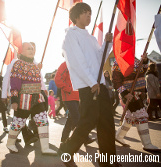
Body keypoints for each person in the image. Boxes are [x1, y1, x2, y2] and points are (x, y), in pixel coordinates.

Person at [58, 3, 117, 167]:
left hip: (100, 85)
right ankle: (67, 150)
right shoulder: (71, 35)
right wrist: (92, 82)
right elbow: (77, 61)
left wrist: (107, 44)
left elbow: (99, 59)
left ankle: (108, 160)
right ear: (76, 16)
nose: (89, 16)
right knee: (88, 122)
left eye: (90, 13)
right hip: (88, 86)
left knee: (107, 122)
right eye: (85, 13)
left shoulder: (90, 37)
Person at [6, 42, 56, 155]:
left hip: (37, 97)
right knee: (18, 122)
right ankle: (10, 143)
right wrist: (14, 100)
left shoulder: (35, 65)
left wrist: (43, 93)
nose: (31, 50)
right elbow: (14, 83)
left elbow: (40, 82)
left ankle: (45, 148)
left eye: (32, 48)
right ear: (21, 51)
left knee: (43, 121)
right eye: (28, 48)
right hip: (24, 98)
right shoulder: (18, 64)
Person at [112, 55, 160, 151]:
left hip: (139, 93)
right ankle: (147, 143)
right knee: (141, 115)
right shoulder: (118, 62)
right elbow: (116, 81)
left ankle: (118, 136)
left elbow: (143, 71)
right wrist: (125, 93)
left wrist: (145, 61)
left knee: (130, 117)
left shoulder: (136, 60)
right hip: (130, 94)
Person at [55, 61, 96, 145]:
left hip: (77, 96)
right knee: (78, 118)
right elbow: (58, 79)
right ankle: (85, 138)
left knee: (70, 119)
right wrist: (69, 89)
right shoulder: (65, 64)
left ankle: (64, 139)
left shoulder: (78, 64)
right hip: (69, 97)